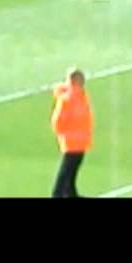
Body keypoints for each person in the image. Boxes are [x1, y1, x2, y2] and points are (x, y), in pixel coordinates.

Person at [51, 68, 93, 198]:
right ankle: (57, 194)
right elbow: (57, 122)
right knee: (67, 169)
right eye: (81, 78)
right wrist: (67, 134)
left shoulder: (81, 95)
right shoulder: (67, 99)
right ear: (75, 80)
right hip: (72, 141)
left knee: (73, 169)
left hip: (81, 140)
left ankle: (71, 192)